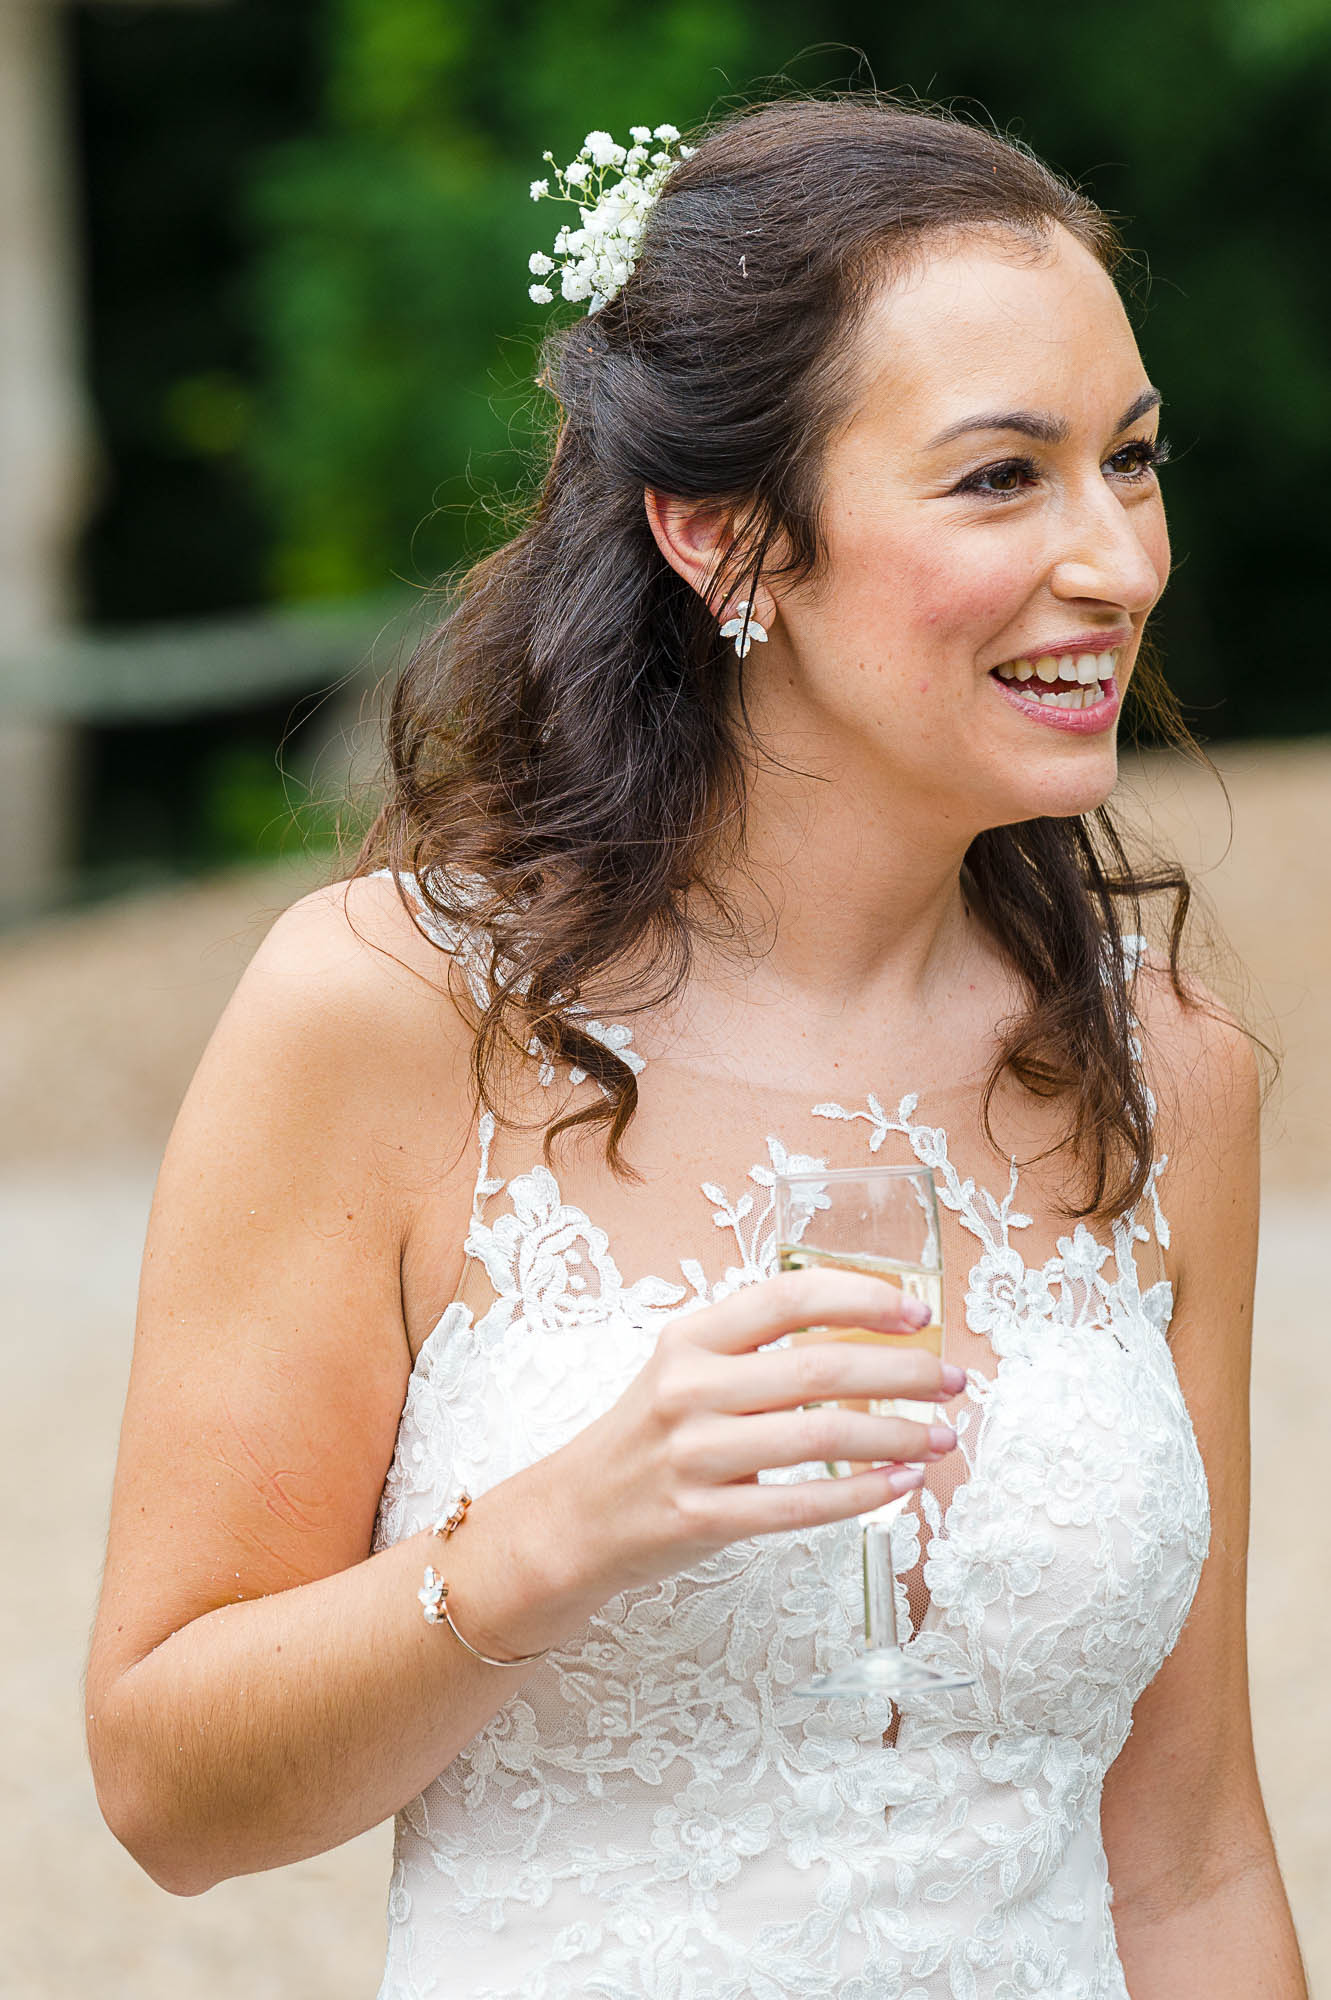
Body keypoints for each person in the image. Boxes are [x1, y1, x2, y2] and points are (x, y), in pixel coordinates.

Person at [86, 95, 1305, 1999]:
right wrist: (565, 1527)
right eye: (1003, 478)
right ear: (726, 538)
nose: (1117, 561)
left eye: (1132, 464)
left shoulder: (1163, 1075)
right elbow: (169, 1790)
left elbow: (1192, 1854)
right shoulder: (390, 1013)